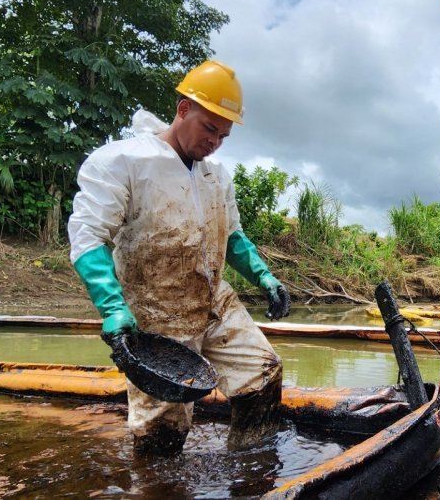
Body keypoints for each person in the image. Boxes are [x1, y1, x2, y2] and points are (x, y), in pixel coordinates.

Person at [68, 59, 292, 456]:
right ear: (183, 109)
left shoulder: (217, 173)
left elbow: (233, 236)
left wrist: (265, 278)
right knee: (163, 429)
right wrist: (113, 310)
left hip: (214, 301)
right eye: (209, 128)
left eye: (223, 135)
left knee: (263, 374)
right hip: (156, 314)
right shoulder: (123, 161)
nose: (214, 142)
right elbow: (89, 237)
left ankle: (249, 471)